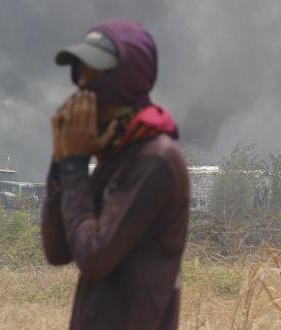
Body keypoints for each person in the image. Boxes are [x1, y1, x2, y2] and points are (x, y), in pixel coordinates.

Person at [42, 19, 190, 329]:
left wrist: (74, 164)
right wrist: (62, 161)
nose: (82, 84)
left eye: (93, 72)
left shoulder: (154, 160)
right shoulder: (115, 156)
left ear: (124, 80)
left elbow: (94, 257)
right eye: (78, 72)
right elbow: (57, 251)